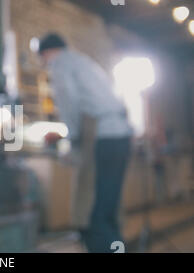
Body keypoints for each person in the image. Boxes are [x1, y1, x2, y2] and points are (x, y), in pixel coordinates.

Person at [37, 33, 133, 252]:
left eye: (43, 58)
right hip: (120, 137)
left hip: (101, 140)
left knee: (92, 217)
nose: (45, 63)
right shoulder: (84, 61)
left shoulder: (60, 65)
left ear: (47, 53)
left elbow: (69, 103)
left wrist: (70, 136)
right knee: (109, 211)